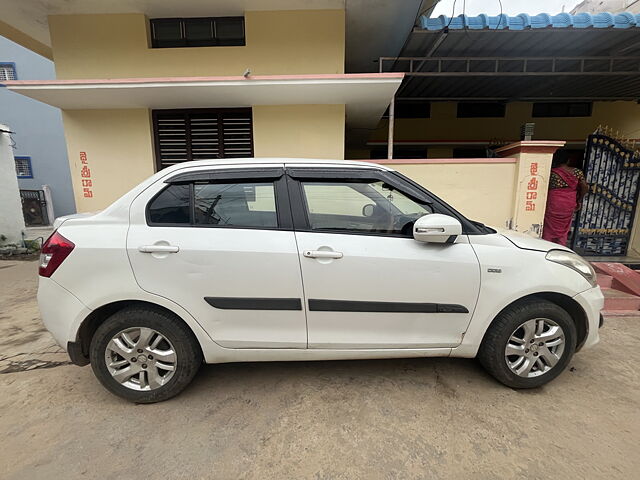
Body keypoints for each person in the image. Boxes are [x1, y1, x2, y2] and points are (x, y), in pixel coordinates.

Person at [542, 150, 589, 246]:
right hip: (569, 202)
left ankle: (546, 246)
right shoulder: (577, 172)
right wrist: (578, 199)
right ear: (568, 160)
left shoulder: (552, 173)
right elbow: (585, 187)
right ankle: (561, 247)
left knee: (549, 225)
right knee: (564, 228)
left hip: (554, 201)